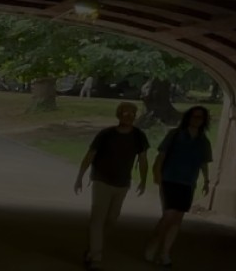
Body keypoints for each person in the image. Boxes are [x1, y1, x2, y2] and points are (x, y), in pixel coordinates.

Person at [74, 102, 149, 270]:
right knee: (97, 219)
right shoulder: (106, 134)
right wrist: (80, 176)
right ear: (119, 115)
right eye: (125, 113)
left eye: (132, 114)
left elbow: (143, 160)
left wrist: (143, 180)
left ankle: (93, 248)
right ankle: (96, 256)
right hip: (101, 180)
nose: (128, 116)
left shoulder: (139, 136)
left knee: (112, 219)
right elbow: (90, 155)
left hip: (122, 183)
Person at [145, 105, 214, 268]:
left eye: (200, 118)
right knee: (168, 215)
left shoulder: (203, 141)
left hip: (188, 182)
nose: (197, 120)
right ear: (188, 118)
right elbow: (161, 155)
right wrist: (157, 175)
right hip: (170, 179)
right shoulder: (175, 135)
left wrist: (206, 180)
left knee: (177, 219)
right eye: (194, 116)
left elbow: (204, 163)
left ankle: (165, 253)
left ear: (204, 121)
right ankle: (154, 243)